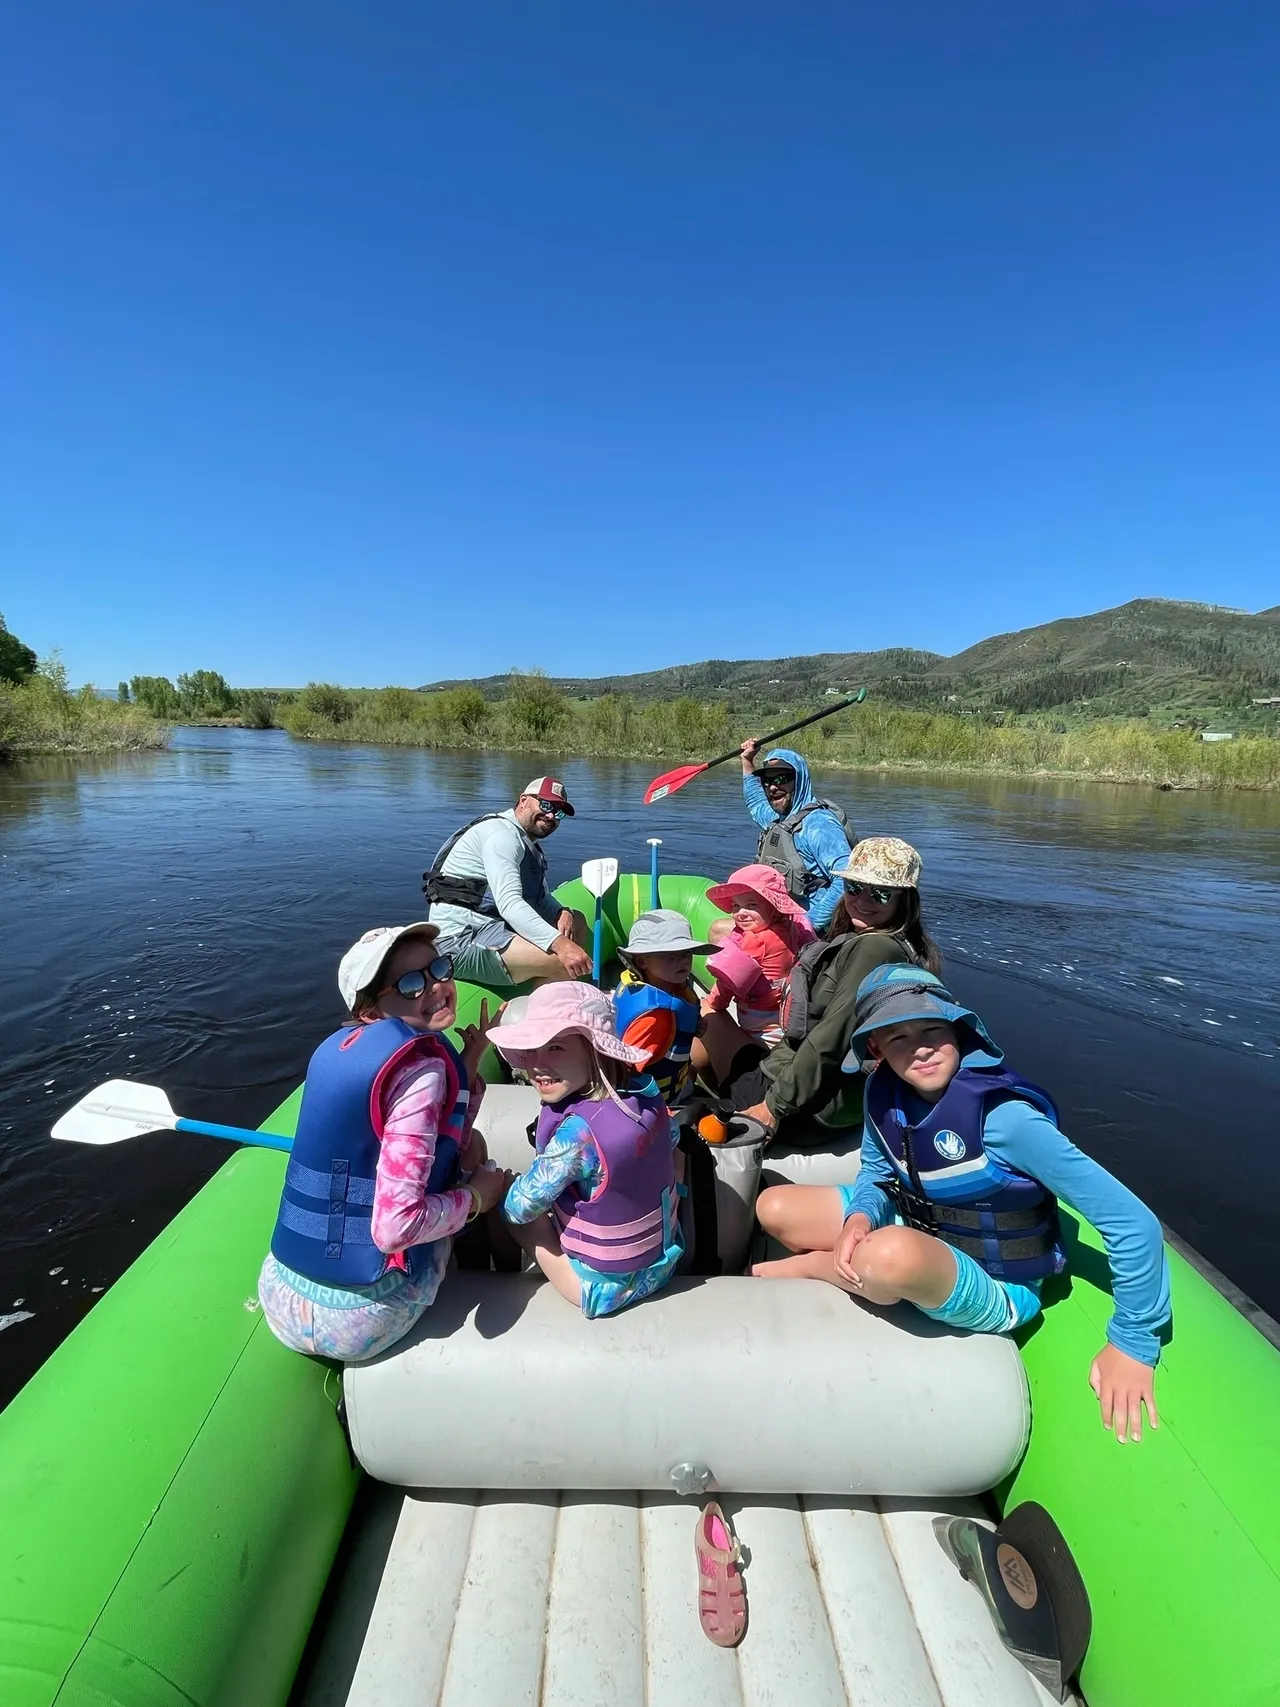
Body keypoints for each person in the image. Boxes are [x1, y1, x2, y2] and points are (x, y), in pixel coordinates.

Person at [754, 964, 1171, 1443]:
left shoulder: (1007, 1121)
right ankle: (851, 1250)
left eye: (932, 1028)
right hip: (918, 1218)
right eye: (897, 1038)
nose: (922, 1047)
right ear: (876, 1050)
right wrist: (861, 1216)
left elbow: (1132, 1222)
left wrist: (1134, 1344)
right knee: (775, 1209)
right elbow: (876, 1172)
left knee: (886, 1255)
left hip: (997, 1280)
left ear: (957, 1027)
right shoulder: (882, 1092)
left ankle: (819, 1267)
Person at [258, 923, 506, 1361]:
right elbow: (395, 1230)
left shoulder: (341, 1048)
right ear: (371, 1010)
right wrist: (476, 1198)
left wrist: (468, 1061)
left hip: (281, 1296)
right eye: (411, 984)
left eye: (439, 968)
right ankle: (491, 1271)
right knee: (480, 1164)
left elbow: (434, 1138)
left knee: (470, 1148)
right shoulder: (421, 1074)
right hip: (362, 1315)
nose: (436, 987)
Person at [488, 983, 684, 1318]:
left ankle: (498, 1282)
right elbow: (673, 1140)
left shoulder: (577, 1136)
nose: (536, 1065)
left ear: (596, 1051)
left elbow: (520, 1209)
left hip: (600, 1288)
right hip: (665, 1260)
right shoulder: (648, 1095)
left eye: (556, 1048)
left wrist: (498, 1188)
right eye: (532, 1050)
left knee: (506, 1198)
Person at [733, 835, 940, 1137]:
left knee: (708, 1028)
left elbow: (832, 1036)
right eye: (854, 887)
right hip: (806, 1081)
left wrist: (774, 1106)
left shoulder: (875, 949)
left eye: (881, 893)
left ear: (904, 899)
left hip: (807, 1103)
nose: (863, 899)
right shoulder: (890, 944)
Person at [422, 776, 591, 987]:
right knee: (564, 960)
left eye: (558, 812)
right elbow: (510, 905)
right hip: (458, 941)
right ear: (523, 800)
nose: (550, 815)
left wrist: (560, 911)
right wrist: (562, 945)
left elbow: (541, 897)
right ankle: (542, 1013)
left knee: (578, 921)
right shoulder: (502, 836)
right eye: (546, 804)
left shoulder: (525, 842)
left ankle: (539, 992)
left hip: (491, 928)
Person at [702, 863, 817, 1049]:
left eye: (751, 905)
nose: (741, 913)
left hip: (758, 1020)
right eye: (736, 905)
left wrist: (713, 1005)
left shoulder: (755, 942)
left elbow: (727, 985)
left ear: (773, 907)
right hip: (781, 1010)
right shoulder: (791, 927)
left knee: (705, 1011)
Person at [739, 742, 852, 931]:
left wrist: (807, 926)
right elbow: (755, 803)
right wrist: (747, 760)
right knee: (722, 929)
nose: (773, 787)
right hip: (783, 920)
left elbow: (847, 878)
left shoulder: (819, 825)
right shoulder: (779, 818)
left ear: (800, 779)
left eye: (782, 778)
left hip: (811, 928)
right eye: (767, 781)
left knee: (720, 929)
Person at [613, 910, 713, 1108]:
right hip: (661, 1103)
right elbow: (627, 1072)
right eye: (670, 954)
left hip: (674, 1084)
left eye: (686, 953)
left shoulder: (642, 985)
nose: (683, 960)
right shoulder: (656, 1017)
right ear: (641, 960)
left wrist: (690, 1029)